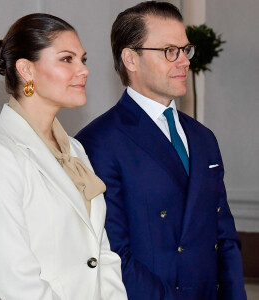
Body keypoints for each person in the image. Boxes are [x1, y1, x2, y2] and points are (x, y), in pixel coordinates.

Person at [75, 2, 247, 300]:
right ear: (130, 58)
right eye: (170, 51)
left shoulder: (203, 138)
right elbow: (114, 253)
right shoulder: (98, 142)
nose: (184, 61)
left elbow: (225, 237)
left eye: (185, 50)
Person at [0, 13, 127, 300]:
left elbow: (101, 252)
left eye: (83, 59)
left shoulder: (74, 150)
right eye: (67, 59)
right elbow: (15, 280)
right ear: (27, 70)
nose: (83, 70)